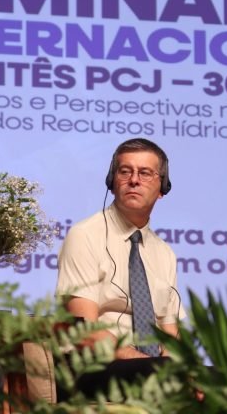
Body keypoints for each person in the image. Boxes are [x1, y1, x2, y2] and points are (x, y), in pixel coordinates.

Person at [56, 138, 184, 398]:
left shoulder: (164, 253)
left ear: (163, 188)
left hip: (149, 368)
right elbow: (85, 331)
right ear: (112, 183)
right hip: (94, 367)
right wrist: (148, 364)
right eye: (125, 171)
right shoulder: (85, 236)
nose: (134, 180)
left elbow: (171, 335)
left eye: (145, 173)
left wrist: (177, 370)